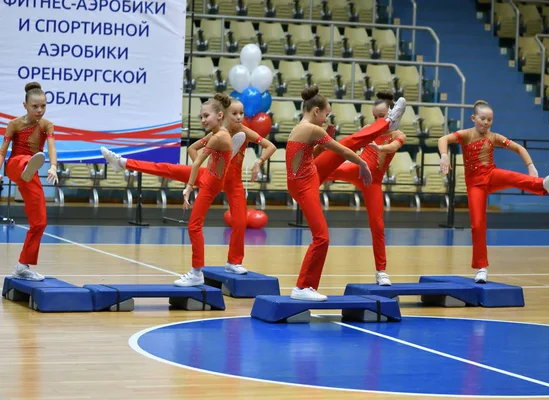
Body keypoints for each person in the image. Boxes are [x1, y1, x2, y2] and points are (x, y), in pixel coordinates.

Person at [100, 98, 276, 275]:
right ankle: (123, 162)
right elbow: (193, 149)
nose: (239, 117)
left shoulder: (245, 132)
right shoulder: (216, 135)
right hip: (211, 177)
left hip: (234, 184)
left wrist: (258, 162)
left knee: (240, 222)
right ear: (224, 115)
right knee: (167, 168)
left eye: (242, 113)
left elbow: (270, 146)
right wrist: (199, 169)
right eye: (235, 113)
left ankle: (234, 262)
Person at [286, 85, 405, 301]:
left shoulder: (303, 128)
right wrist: (362, 163)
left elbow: (310, 155)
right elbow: (343, 150)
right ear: (315, 112)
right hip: (305, 183)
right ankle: (302, 287)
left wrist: (324, 147)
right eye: (326, 114)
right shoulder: (312, 129)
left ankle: (306, 287)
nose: (326, 118)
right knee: (321, 238)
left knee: (322, 237)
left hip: (309, 175)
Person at [438, 100, 549, 284]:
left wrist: (531, 166)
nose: (486, 123)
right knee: (478, 225)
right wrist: (444, 155)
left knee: (514, 177)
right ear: (473, 118)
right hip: (475, 185)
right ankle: (481, 268)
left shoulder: (493, 137)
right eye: (482, 119)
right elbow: (443, 139)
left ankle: (544, 185)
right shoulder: (466, 135)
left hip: (491, 175)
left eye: (490, 119)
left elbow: (519, 148)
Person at [323, 91, 406, 286]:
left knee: (377, 226)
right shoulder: (370, 129)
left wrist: (381, 148)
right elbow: (353, 149)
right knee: (324, 170)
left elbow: (394, 147)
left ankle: (381, 272)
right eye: (376, 117)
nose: (378, 120)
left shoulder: (398, 134)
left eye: (382, 116)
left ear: (391, 114)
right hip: (359, 168)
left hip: (373, 181)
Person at [0, 82, 58, 281]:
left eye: (43, 106)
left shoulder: (46, 125)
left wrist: (53, 166)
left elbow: (51, 145)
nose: (40, 110)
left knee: (40, 222)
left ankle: (22, 266)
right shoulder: (14, 124)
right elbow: (2, 151)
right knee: (24, 161)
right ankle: (27, 165)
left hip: (30, 175)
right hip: (15, 165)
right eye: (35, 106)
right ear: (25, 106)